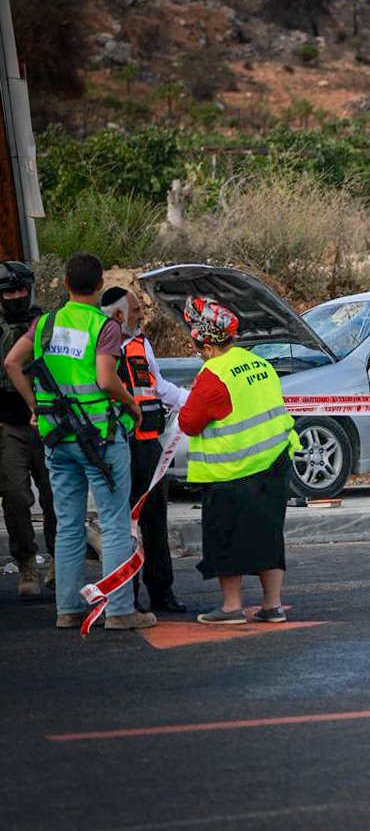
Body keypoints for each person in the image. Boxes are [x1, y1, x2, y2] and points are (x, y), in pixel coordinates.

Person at [3, 253, 149, 631]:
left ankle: (67, 609)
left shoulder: (45, 323)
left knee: (68, 525)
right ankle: (119, 611)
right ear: (100, 286)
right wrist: (131, 404)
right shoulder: (105, 327)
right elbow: (105, 379)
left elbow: (12, 363)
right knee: (115, 524)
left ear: (65, 284)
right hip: (99, 436)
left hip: (57, 437)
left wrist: (37, 406)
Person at [177, 297, 299, 626]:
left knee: (224, 537)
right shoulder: (259, 363)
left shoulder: (213, 375)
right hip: (274, 462)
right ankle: (272, 606)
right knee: (269, 536)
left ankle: (232, 607)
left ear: (202, 341)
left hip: (233, 471)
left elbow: (189, 423)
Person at [100, 286, 189, 614]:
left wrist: (189, 401)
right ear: (118, 314)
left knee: (154, 521)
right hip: (116, 446)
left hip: (149, 444)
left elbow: (158, 386)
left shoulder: (142, 344)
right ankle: (128, 596)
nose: (142, 317)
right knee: (124, 526)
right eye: (136, 312)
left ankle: (161, 591)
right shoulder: (97, 345)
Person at [0, 261, 55, 599]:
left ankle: (59, 561)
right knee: (17, 499)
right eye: (9, 292)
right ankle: (26, 564)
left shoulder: (47, 325)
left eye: (21, 290)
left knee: (56, 499)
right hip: (10, 428)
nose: (17, 296)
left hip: (49, 426)